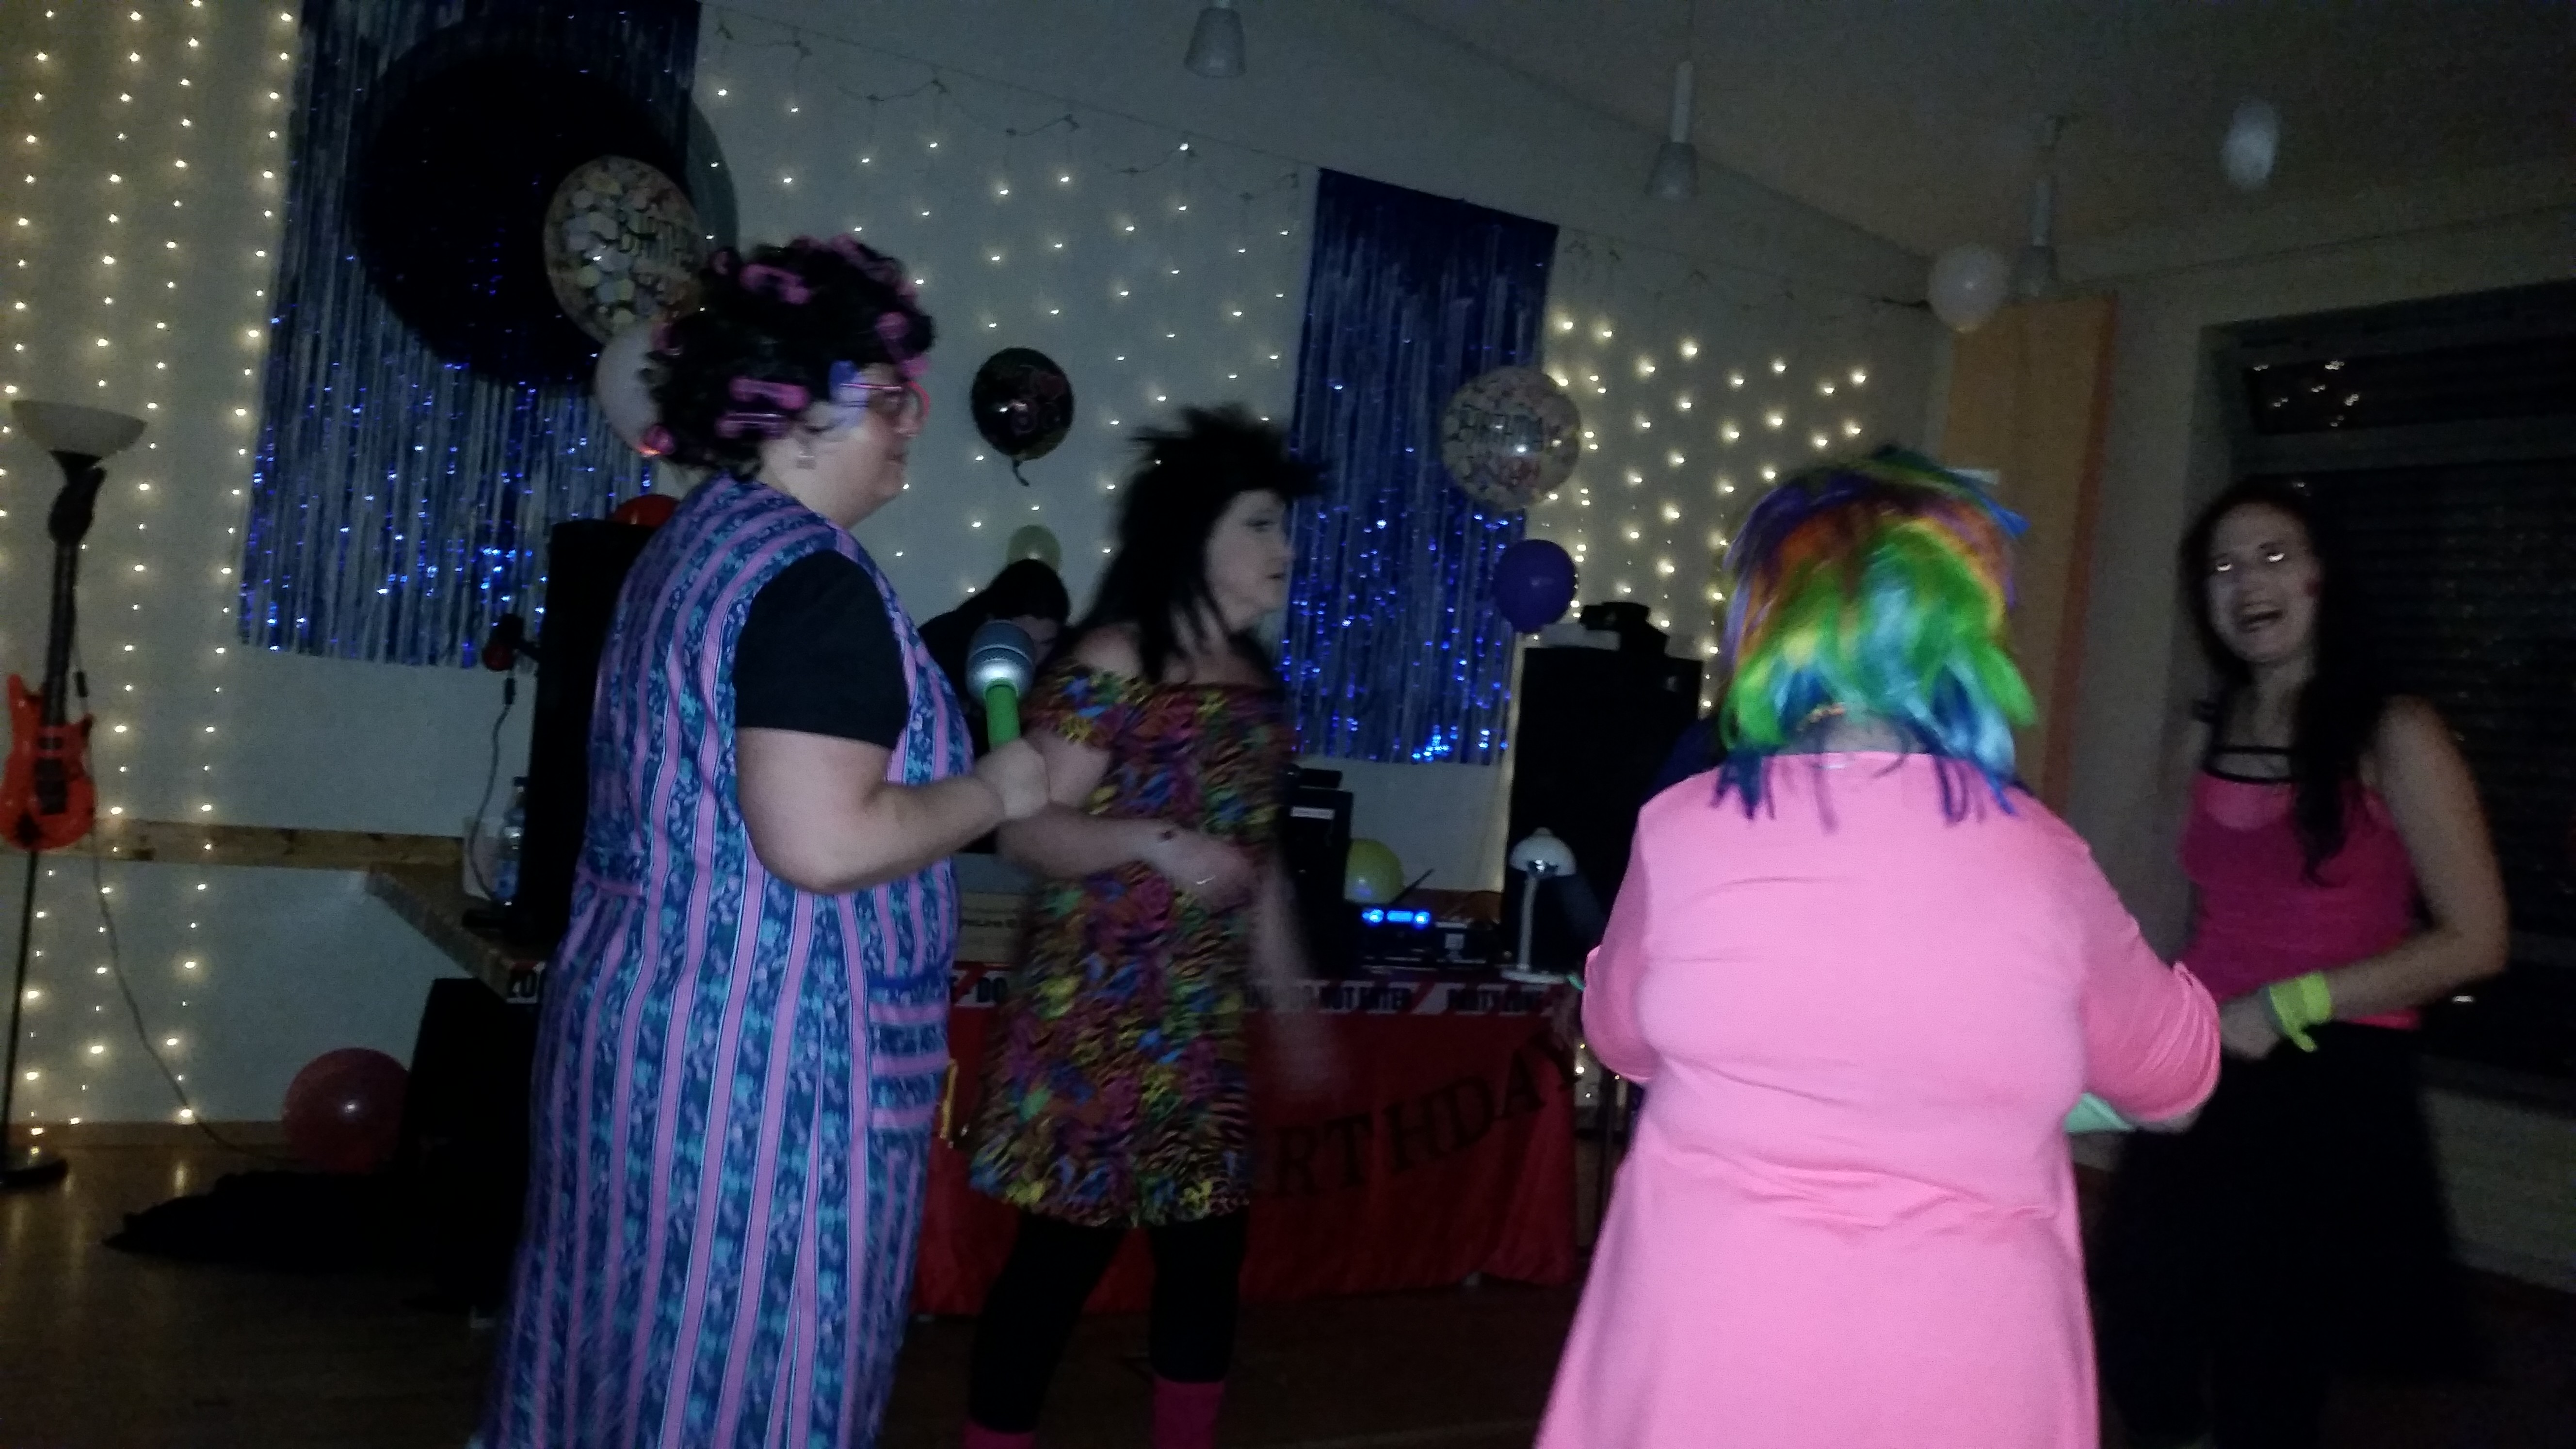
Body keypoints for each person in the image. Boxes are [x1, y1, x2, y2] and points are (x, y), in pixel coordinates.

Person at [479, 237, 1049, 1449]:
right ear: (792, 409)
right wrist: (993, 788)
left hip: (643, 1042)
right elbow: (823, 844)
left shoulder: (689, 550)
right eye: (889, 394)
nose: (910, 423)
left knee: (618, 1362)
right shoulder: (813, 584)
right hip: (764, 1085)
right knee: (750, 1382)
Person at [1536, 448, 2222, 1449]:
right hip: (1967, 1370)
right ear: (1964, 640)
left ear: (1769, 629)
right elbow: (2179, 1083)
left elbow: (1619, 1039)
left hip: (1714, 1347)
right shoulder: (2042, 858)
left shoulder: (1683, 828)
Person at [2092, 477, 2508, 1449]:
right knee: (2138, 1315)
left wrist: (2284, 1005)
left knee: (2269, 1358)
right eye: (2222, 566)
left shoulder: (2394, 731)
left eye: (2273, 555)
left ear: (2322, 576)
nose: (2247, 582)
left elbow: (2476, 938)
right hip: (2205, 1057)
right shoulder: (2205, 725)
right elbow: (2161, 900)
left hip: (2331, 1078)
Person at [957, 406, 1329, 1449]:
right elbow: (1023, 829)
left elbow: (1257, 867)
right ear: (1192, 533)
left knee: (1207, 1264)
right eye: (1259, 523)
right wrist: (1157, 841)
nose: (1283, 547)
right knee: (1055, 1267)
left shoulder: (1256, 686)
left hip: (1197, 1037)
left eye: (1282, 524)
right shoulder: (1117, 657)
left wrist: (1295, 1006)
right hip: (1092, 1029)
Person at [919, 558, 1073, 753]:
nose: (1033, 655)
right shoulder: (940, 648)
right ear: (991, 622)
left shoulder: (1068, 657)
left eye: (1046, 644)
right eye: (1023, 640)